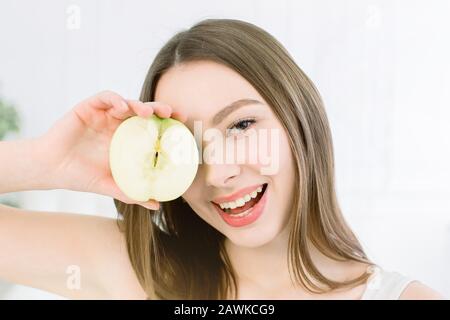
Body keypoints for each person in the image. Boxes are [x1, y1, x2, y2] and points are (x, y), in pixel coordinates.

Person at [0, 19, 443, 300]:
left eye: (242, 126)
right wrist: (46, 160)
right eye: (188, 145)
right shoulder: (135, 271)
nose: (220, 171)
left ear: (299, 120)